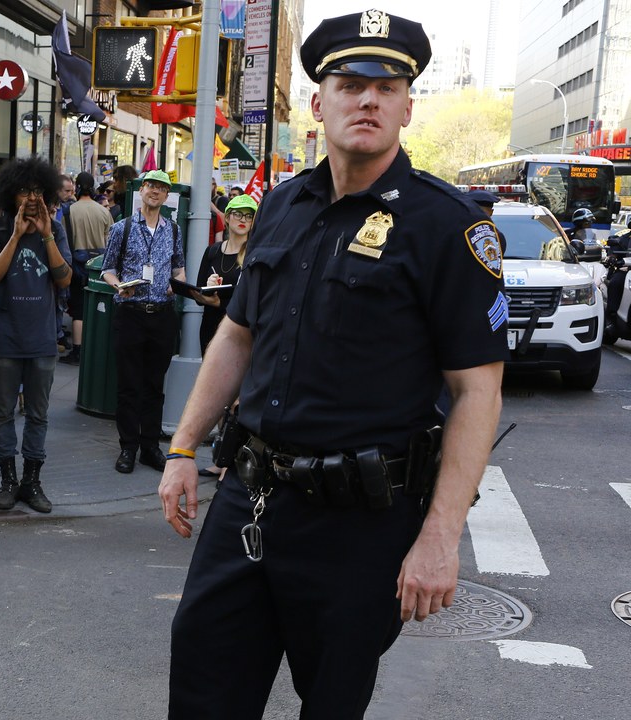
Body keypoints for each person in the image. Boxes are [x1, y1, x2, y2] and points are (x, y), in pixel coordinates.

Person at [158, 12, 506, 718]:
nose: (368, 99)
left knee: (332, 706)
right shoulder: (283, 205)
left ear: (408, 105)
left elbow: (477, 393)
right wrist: (183, 446)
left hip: (359, 527)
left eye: (387, 85)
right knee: (202, 694)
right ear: (320, 104)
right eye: (349, 83)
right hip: (249, 501)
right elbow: (237, 334)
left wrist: (440, 538)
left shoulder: (449, 227)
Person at [0, 156, 73, 514]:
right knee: (2, 413)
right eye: (23, 192)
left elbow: (64, 278)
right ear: (10, 195)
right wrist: (16, 235)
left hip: (42, 339)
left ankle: (32, 480)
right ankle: (8, 480)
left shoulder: (56, 230)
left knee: (38, 414)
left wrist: (46, 235)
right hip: (4, 338)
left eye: (37, 191)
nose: (31, 199)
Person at [100, 169, 186, 474]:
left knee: (154, 385)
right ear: (141, 190)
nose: (155, 191)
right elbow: (107, 269)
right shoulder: (122, 229)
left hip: (162, 315)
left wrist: (178, 284)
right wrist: (118, 285)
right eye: (150, 185)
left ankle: (150, 446)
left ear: (166, 196)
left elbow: (179, 270)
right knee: (128, 385)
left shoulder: (173, 230)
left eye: (161, 188)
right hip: (130, 314)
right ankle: (128, 447)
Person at [190, 193, 255, 478]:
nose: (242, 220)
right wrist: (205, 296)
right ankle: (220, 458)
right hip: (212, 328)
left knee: (239, 397)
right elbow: (200, 293)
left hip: (241, 331)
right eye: (238, 214)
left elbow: (255, 299)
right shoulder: (213, 251)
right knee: (218, 393)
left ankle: (232, 464)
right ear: (226, 217)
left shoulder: (254, 253)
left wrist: (222, 303)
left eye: (249, 216)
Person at [58, 172, 112, 365]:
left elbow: (62, 239)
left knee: (78, 311)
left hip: (76, 266)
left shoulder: (68, 211)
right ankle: (95, 348)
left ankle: (78, 351)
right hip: (99, 267)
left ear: (78, 187)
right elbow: (110, 239)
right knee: (99, 307)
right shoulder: (104, 211)